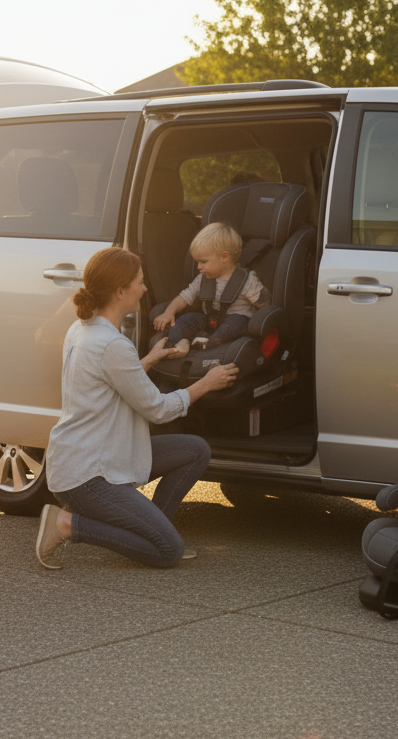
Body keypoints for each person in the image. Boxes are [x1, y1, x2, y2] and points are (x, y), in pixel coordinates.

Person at [36, 246, 238, 569]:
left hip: (95, 456)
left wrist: (148, 360)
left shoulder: (84, 328)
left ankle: (154, 530)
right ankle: (67, 525)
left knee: (196, 450)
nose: (145, 288)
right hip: (87, 477)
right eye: (140, 282)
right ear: (120, 291)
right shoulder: (112, 344)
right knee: (168, 552)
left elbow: (112, 380)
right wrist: (205, 384)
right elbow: (157, 409)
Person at [152, 222, 271, 357]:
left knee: (234, 324)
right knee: (185, 320)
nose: (198, 267)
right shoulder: (202, 279)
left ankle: (208, 343)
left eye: (203, 261)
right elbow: (184, 297)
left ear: (225, 257)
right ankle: (178, 345)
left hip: (237, 321)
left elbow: (265, 304)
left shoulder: (247, 280)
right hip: (210, 319)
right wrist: (169, 312)